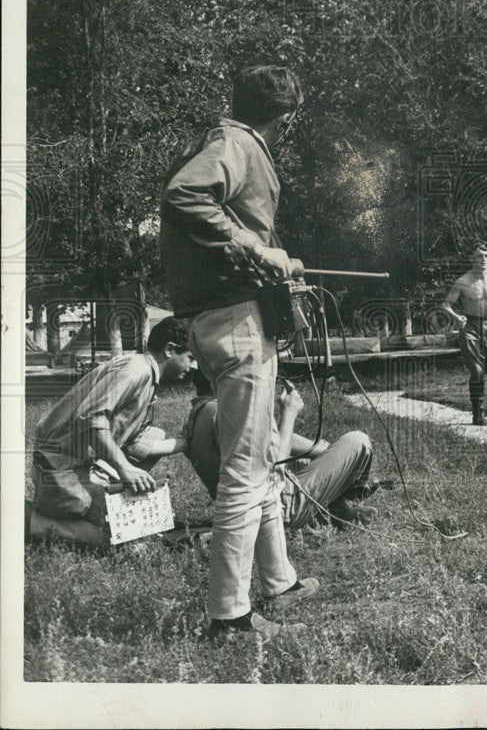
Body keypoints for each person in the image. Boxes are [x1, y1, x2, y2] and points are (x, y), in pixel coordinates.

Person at [161, 65, 314, 640]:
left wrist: (274, 254)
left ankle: (278, 582)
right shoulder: (235, 143)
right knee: (246, 471)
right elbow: (186, 196)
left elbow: (229, 222)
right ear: (287, 117)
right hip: (236, 322)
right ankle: (229, 615)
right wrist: (255, 245)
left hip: (225, 317)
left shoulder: (222, 138)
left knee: (256, 459)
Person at [28, 317, 195, 547]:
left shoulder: (147, 374)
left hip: (85, 461)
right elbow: (91, 418)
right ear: (169, 350)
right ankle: (29, 520)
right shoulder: (135, 369)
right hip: (61, 469)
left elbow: (134, 442)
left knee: (155, 434)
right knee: (121, 536)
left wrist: (185, 442)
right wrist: (125, 469)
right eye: (191, 357)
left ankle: (102, 493)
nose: (194, 366)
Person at [183, 370, 377, 531]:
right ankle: (343, 501)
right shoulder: (227, 413)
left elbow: (270, 439)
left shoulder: (200, 414)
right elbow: (275, 464)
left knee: (309, 459)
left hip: (241, 512)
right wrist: (289, 413)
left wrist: (329, 452)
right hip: (276, 509)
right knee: (358, 441)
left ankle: (337, 507)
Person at [441, 244, 487, 426]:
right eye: (479, 256)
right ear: (471, 259)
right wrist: (456, 316)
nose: (484, 259)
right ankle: (478, 414)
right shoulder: (463, 281)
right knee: (477, 371)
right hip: (471, 326)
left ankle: (485, 370)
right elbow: (446, 305)